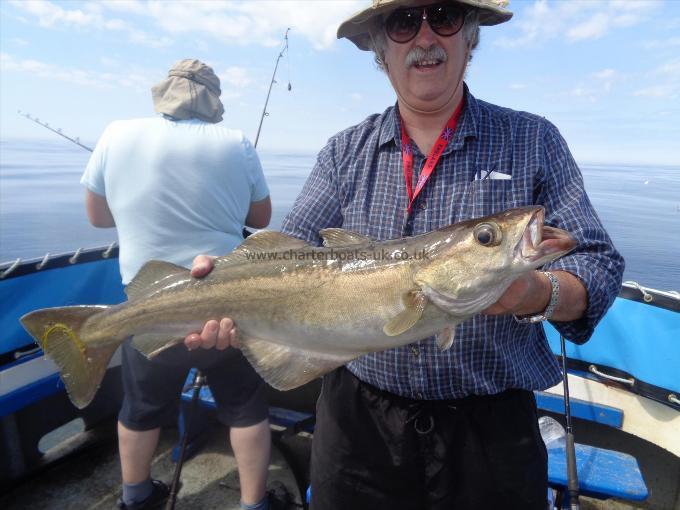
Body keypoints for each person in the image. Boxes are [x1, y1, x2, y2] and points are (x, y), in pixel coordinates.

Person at [184, 2, 625, 509]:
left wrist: (538, 293)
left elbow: (597, 262)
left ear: (470, 35)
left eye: (443, 15)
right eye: (401, 22)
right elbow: (292, 249)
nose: (424, 36)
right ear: (380, 48)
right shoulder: (343, 151)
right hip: (357, 429)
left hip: (491, 433)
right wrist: (225, 283)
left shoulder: (533, 140)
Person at [81, 59, 277, 510]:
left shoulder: (115, 134)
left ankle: (135, 497)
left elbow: (96, 217)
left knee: (141, 407)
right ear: (214, 101)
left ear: (163, 93)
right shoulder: (236, 142)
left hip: (151, 306)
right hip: (229, 308)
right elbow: (260, 220)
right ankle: (254, 504)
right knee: (245, 406)